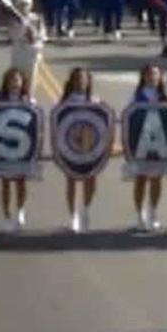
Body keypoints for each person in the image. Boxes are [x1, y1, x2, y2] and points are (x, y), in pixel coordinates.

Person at [128, 63, 167, 231]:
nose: (153, 77)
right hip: (141, 143)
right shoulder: (137, 97)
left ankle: (153, 212)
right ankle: (140, 214)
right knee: (141, 179)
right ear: (144, 77)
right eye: (150, 74)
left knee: (156, 178)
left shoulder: (165, 96)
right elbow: (129, 119)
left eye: (156, 74)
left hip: (159, 143)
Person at [60, 67, 100, 233]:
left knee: (91, 180)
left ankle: (86, 209)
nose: (81, 82)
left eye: (84, 79)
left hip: (90, 146)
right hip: (71, 144)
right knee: (72, 180)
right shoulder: (65, 102)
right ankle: (73, 215)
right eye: (78, 79)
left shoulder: (95, 100)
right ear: (72, 81)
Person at [0, 67, 35, 232]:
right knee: (5, 183)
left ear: (22, 83)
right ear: (6, 83)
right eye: (12, 80)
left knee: (20, 181)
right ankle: (6, 214)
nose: (15, 83)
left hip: (22, 147)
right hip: (5, 146)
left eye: (17, 80)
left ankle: (20, 211)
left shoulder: (28, 102)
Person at [6, 0, 46, 88]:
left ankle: (29, 100)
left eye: (26, 5)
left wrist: (35, 37)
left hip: (32, 55)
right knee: (17, 80)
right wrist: (22, 27)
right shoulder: (14, 20)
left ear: (31, 5)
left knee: (31, 80)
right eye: (21, 5)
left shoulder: (37, 19)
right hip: (19, 53)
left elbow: (43, 36)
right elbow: (12, 36)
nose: (23, 7)